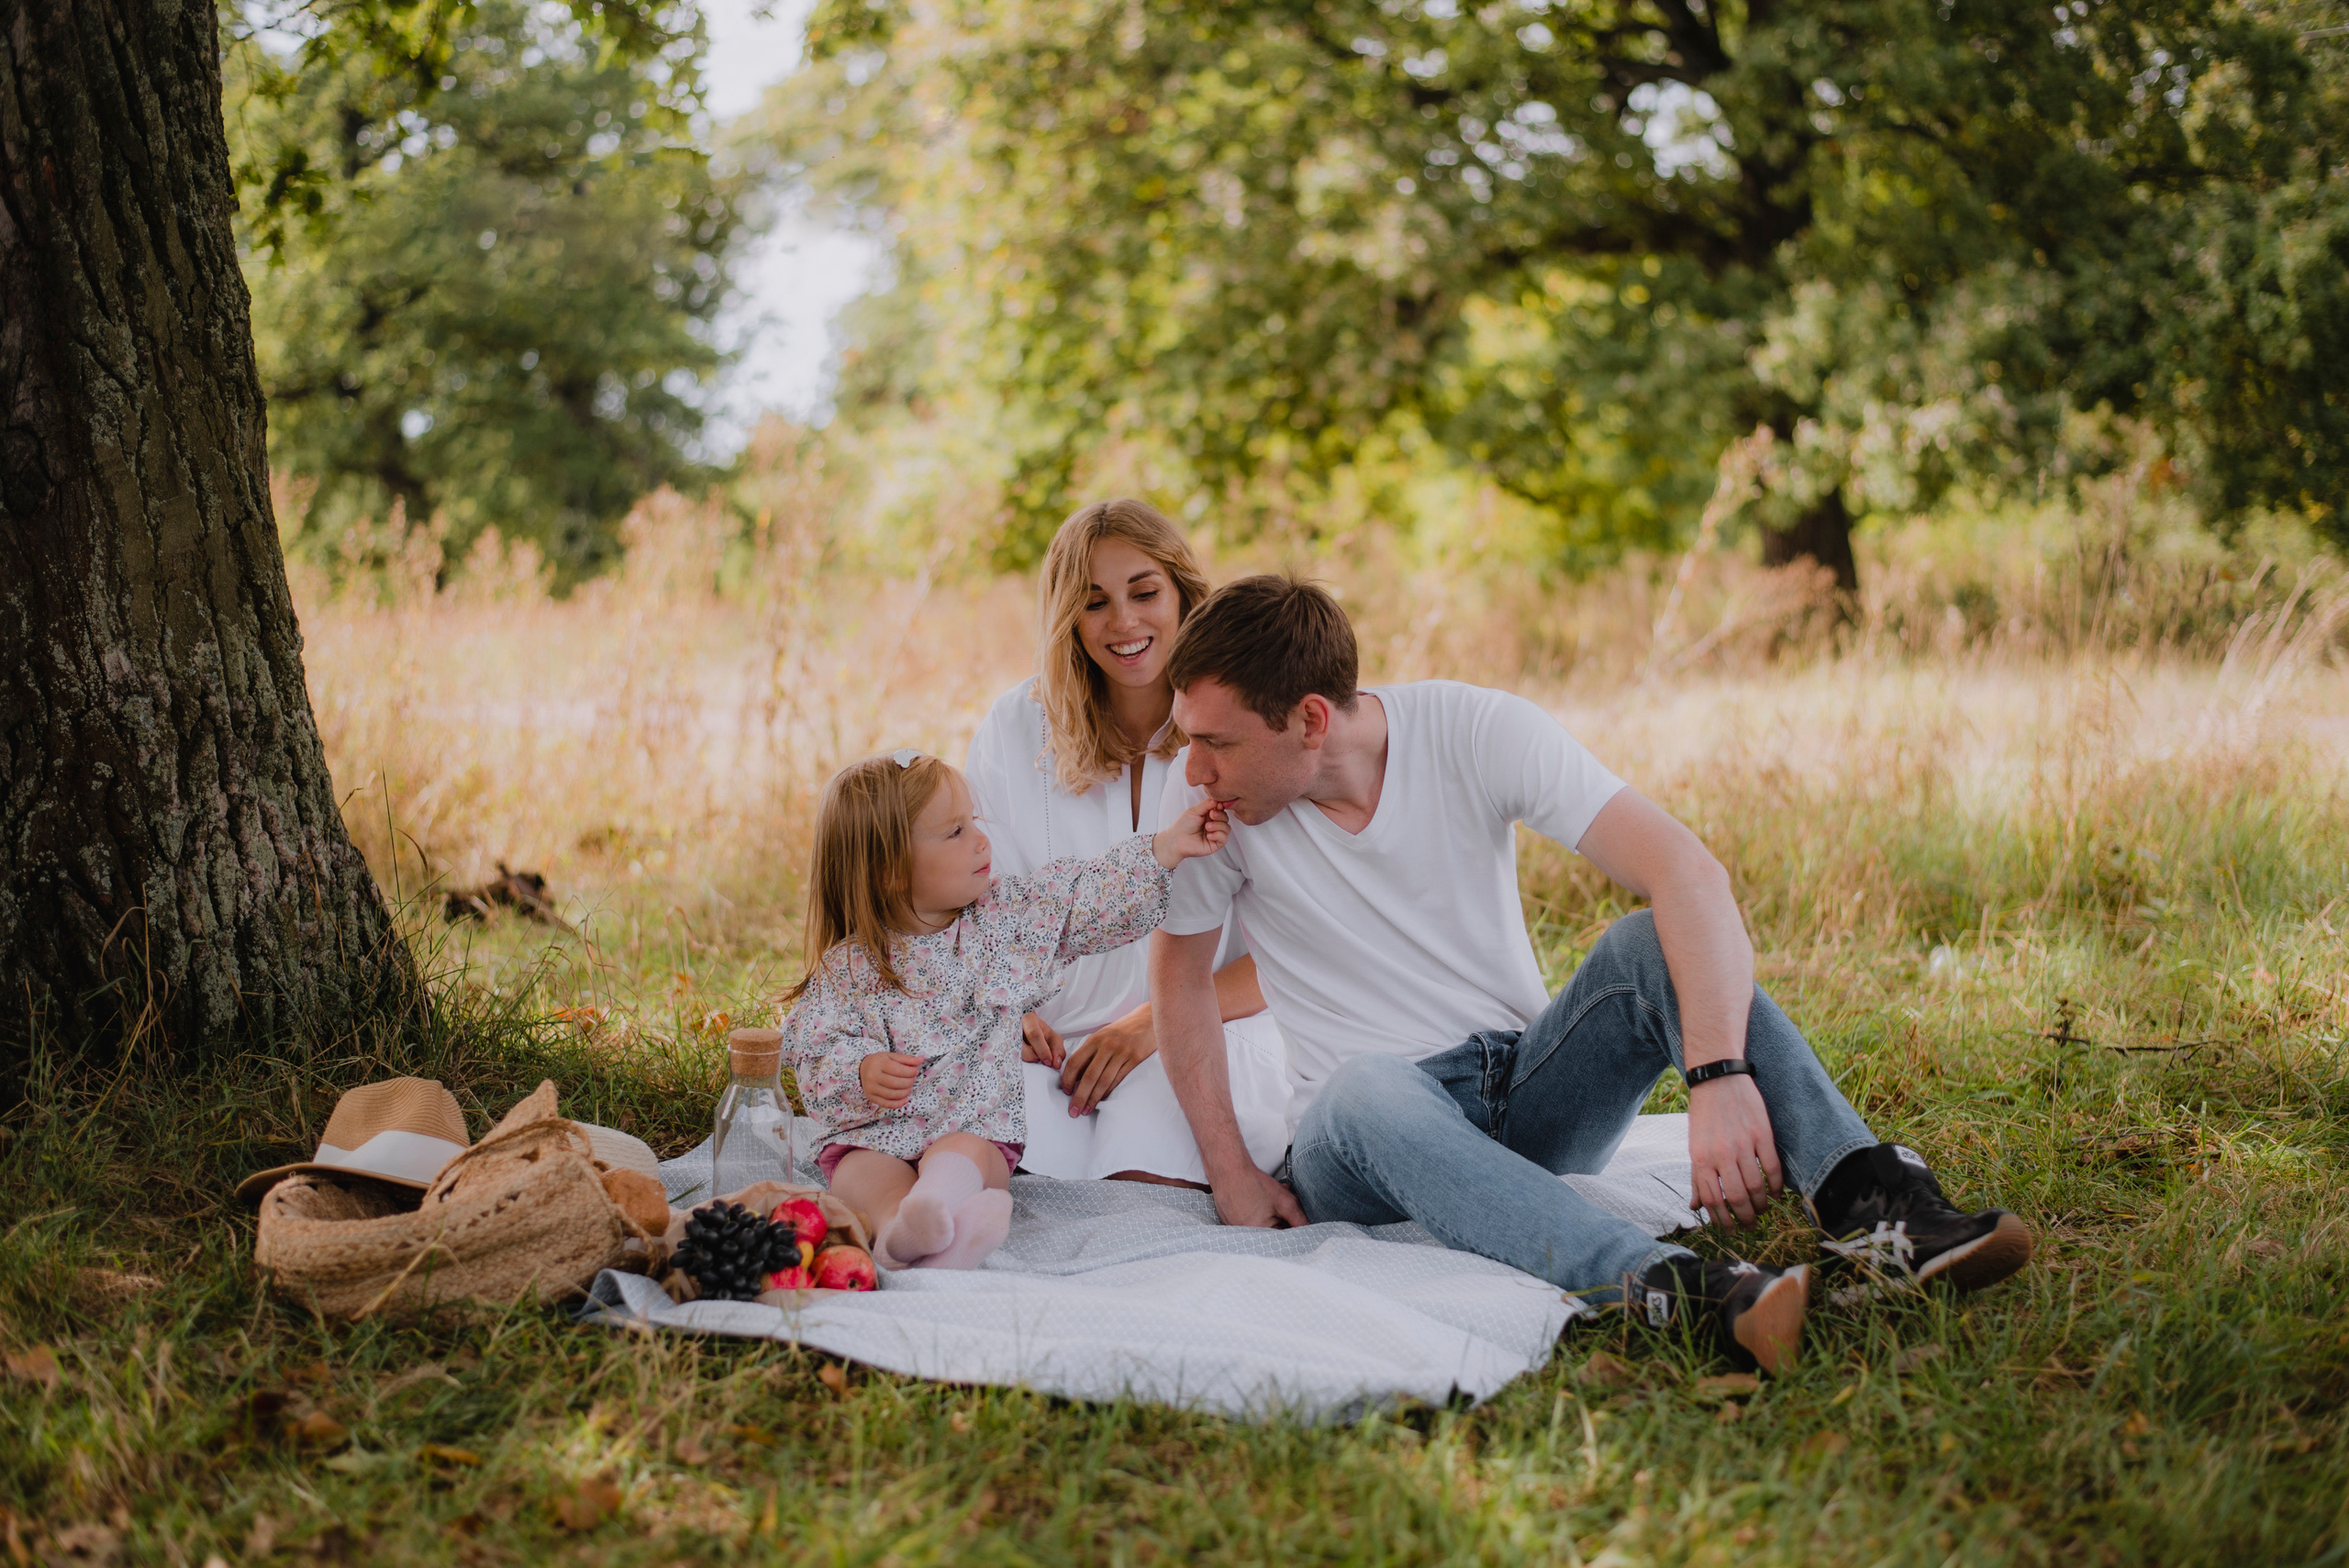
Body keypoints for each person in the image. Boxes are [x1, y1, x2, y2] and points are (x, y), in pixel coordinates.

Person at [1147, 577, 2033, 1373]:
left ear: (1308, 718)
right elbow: (1180, 981)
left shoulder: (1473, 729)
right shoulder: (1210, 812)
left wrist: (1716, 1073)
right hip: (1364, 1144)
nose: (1194, 768)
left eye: (1216, 742)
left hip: (1523, 1089)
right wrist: (1231, 1168)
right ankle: (1670, 1289)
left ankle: (1883, 1210)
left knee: (1647, 943)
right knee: (1363, 1085)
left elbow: (1687, 873)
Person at [780, 747, 1230, 1270]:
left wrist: (1163, 848)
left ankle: (934, 1213)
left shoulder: (1000, 921)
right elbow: (811, 1046)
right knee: (859, 1174)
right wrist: (860, 1071)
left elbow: (1080, 898)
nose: (980, 840)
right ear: (890, 872)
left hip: (968, 1128)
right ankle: (901, 1231)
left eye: (972, 822)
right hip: (877, 1135)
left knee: (972, 1158)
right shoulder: (851, 967)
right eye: (955, 833)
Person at [963, 498, 1290, 1185]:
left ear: (1183, 594)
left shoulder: (1245, 723)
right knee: (985, 1164)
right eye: (1093, 602)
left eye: (1145, 592)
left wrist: (1151, 1024)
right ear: (1066, 619)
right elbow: (971, 903)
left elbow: (1292, 949)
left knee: (1146, 1167)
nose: (1124, 622)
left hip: (1212, 1026)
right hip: (1050, 1047)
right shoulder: (1015, 726)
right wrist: (1006, 1006)